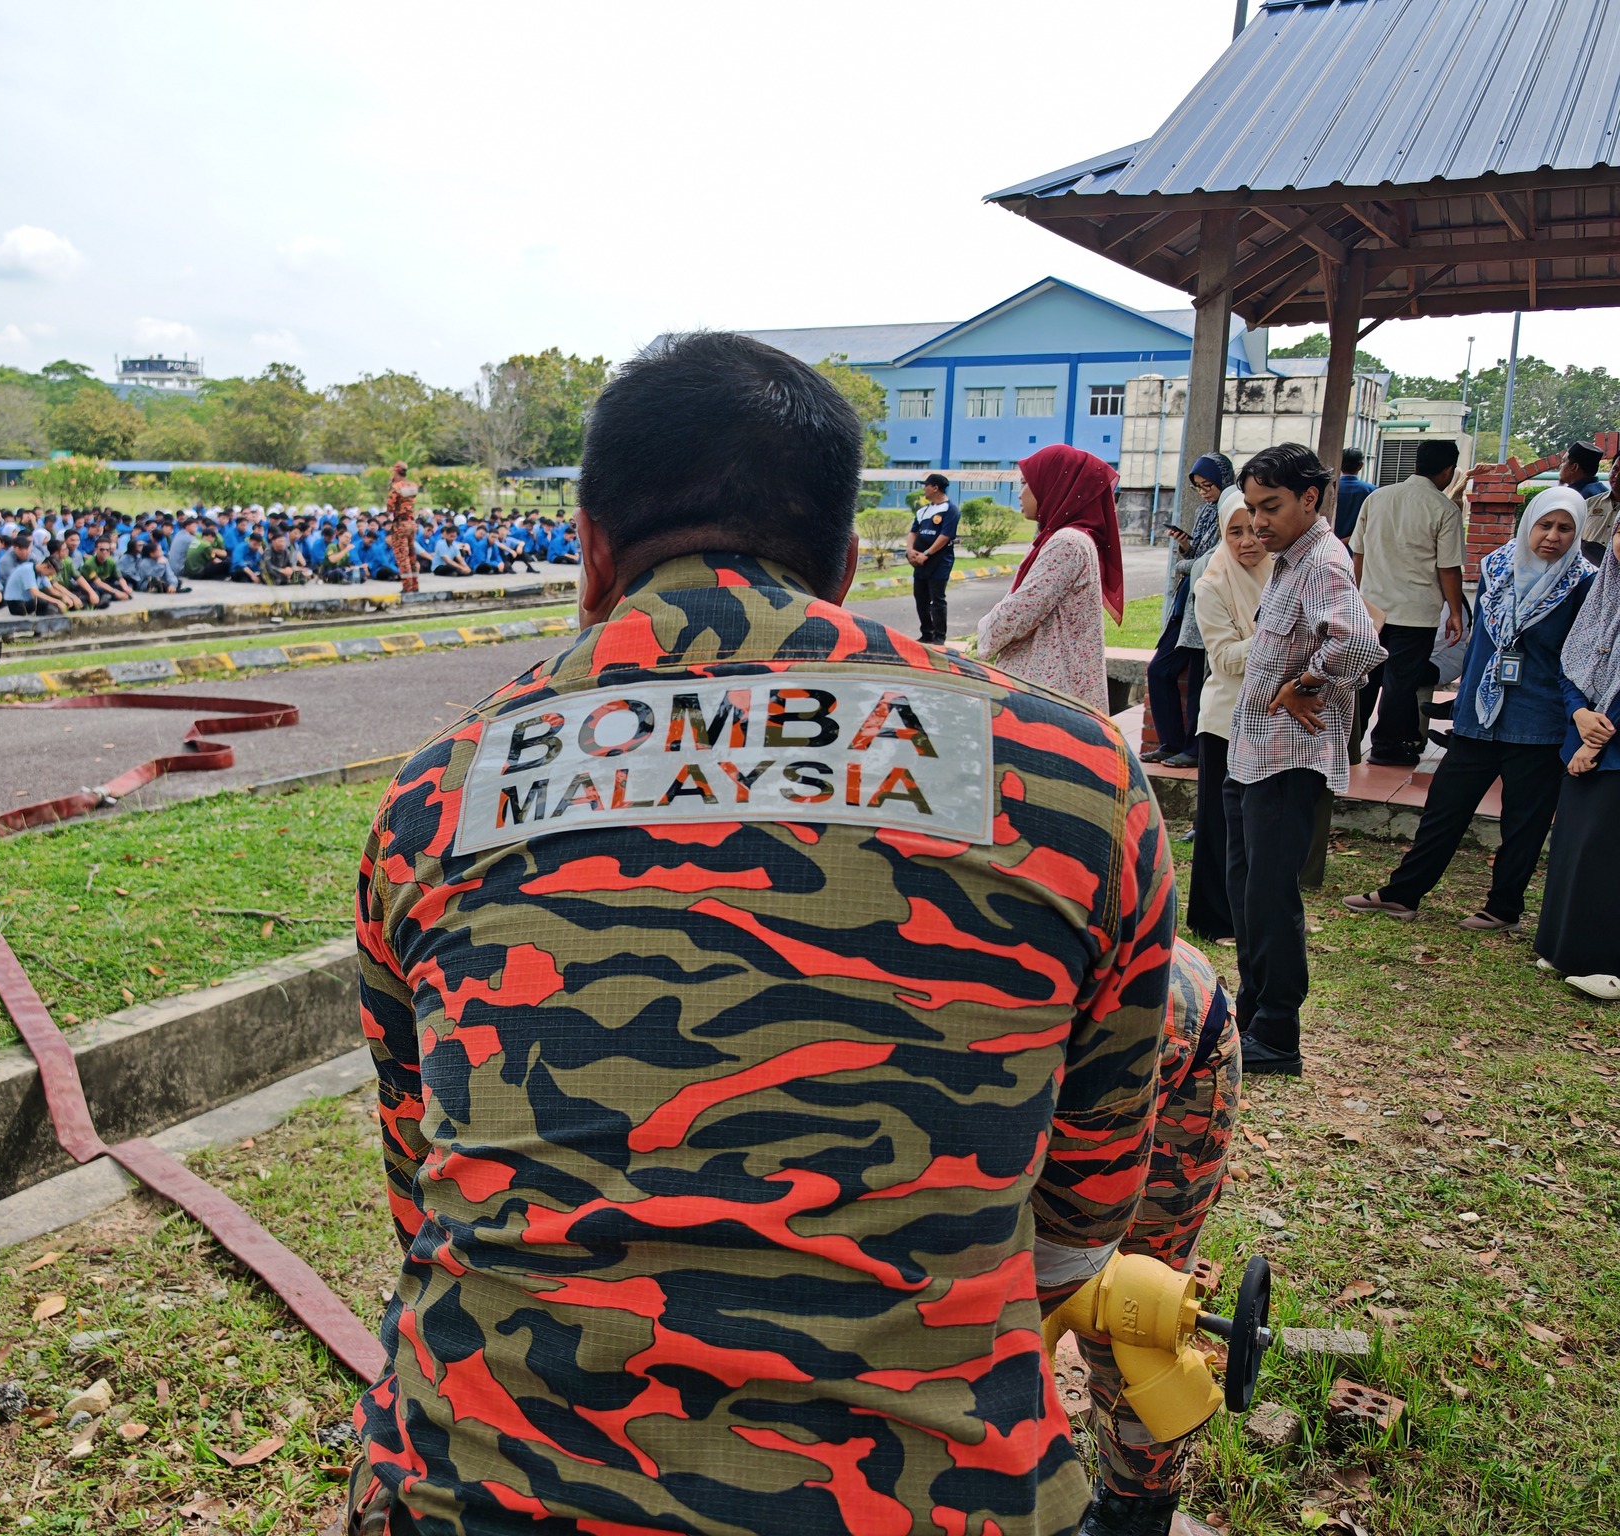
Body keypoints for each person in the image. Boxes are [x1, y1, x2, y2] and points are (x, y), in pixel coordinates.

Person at [345, 331, 1174, 1536]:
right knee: (1192, 1006)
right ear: (841, 565)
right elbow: (1090, 1202)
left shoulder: (437, 793)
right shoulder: (1073, 777)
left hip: (471, 1501)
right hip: (934, 1503)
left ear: (590, 553)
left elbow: (424, 1188)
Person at [1345, 487, 1593, 933]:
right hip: (1480, 714)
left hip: (1540, 719)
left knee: (1525, 820)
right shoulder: (1497, 567)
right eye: (1544, 525)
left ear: (1577, 534)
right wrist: (1462, 702)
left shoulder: (1584, 583)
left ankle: (1503, 909)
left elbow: (1581, 657)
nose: (1552, 537)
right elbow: (1481, 643)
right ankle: (1403, 893)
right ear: (1527, 524)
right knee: (1445, 807)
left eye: (1565, 528)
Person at [1063, 936, 1241, 1535]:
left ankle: (1133, 1509)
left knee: (1131, 1309)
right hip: (1070, 1050)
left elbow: (1063, 1237)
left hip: (1167, 1051)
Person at [1226, 444, 1386, 1076]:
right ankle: (1250, 1012)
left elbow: (1360, 643)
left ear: (1310, 499)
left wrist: (1309, 682)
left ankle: (1278, 1033)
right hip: (1254, 752)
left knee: (1269, 896)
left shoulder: (1320, 559)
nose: (1259, 522)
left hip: (1289, 757)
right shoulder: (1292, 558)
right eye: (1251, 508)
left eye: (1272, 507)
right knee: (1246, 893)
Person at [976, 443, 1122, 715]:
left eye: (1026, 484)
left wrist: (985, 630)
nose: (1020, 495)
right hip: (1050, 686)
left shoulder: (1068, 542)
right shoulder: (1061, 538)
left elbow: (1019, 613)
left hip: (1050, 693)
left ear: (1055, 486)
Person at [1534, 537, 1620, 994]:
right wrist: (1579, 714)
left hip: (1611, 750)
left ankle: (1610, 964)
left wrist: (1598, 741)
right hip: (1584, 734)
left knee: (1605, 854)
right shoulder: (1606, 591)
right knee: (1572, 846)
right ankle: (1564, 947)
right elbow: (1574, 664)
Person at [1350, 439, 1466, 767]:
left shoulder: (1377, 498)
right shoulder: (1444, 509)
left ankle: (1348, 742)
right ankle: (1387, 745)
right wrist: (1455, 613)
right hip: (1416, 613)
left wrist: (1354, 598)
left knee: (1364, 677)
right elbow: (1448, 567)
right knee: (1400, 681)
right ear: (1448, 471)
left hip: (1370, 608)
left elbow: (1357, 553)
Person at [1186, 492, 1268, 940]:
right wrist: (1277, 638)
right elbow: (1223, 658)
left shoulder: (1283, 572)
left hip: (1274, 718)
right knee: (1220, 828)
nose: (1247, 541)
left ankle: (1254, 915)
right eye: (1235, 532)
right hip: (1226, 722)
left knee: (1261, 828)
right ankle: (1215, 919)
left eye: (1254, 529)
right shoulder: (1213, 583)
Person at [1145, 454, 1230, 766]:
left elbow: (1220, 560)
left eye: (1208, 485)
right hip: (1186, 603)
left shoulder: (1233, 511)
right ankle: (1170, 742)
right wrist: (1185, 545)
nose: (1205, 492)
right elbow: (1200, 553)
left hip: (1209, 605)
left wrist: (1183, 564)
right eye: (1199, 487)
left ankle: (1193, 750)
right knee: (1159, 669)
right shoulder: (1206, 512)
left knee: (1199, 679)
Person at [906, 471, 958, 642]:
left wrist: (926, 554)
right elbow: (913, 532)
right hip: (919, 562)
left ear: (935, 488)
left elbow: (945, 536)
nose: (924, 490)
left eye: (926, 486)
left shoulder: (950, 510)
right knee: (920, 598)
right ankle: (926, 633)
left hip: (939, 561)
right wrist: (910, 550)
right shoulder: (923, 511)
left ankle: (939, 636)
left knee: (937, 599)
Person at [1560, 441, 1611, 563]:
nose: (1561, 467)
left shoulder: (1578, 497)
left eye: (1563, 462)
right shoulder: (1602, 491)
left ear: (1574, 467)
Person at [386, 464, 420, 593]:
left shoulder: (395, 488)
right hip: (412, 523)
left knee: (402, 556)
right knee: (412, 556)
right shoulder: (412, 485)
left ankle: (407, 587)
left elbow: (390, 507)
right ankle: (415, 585)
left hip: (400, 524)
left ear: (396, 473)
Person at [1332, 446, 1375, 544]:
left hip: (1328, 547)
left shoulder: (1328, 489)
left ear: (1339, 464)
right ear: (1360, 466)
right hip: (1357, 548)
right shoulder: (1372, 491)